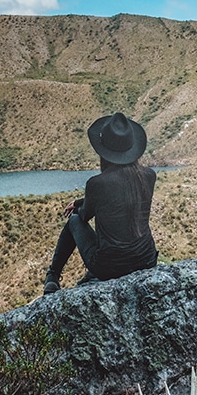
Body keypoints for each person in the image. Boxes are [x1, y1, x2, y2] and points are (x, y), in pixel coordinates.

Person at [43, 112, 157, 294]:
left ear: (105, 152)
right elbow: (122, 198)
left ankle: (52, 276)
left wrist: (79, 205)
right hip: (147, 261)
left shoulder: (97, 183)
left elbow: (84, 215)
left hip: (110, 269)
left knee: (73, 221)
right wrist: (82, 201)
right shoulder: (149, 176)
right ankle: (80, 275)